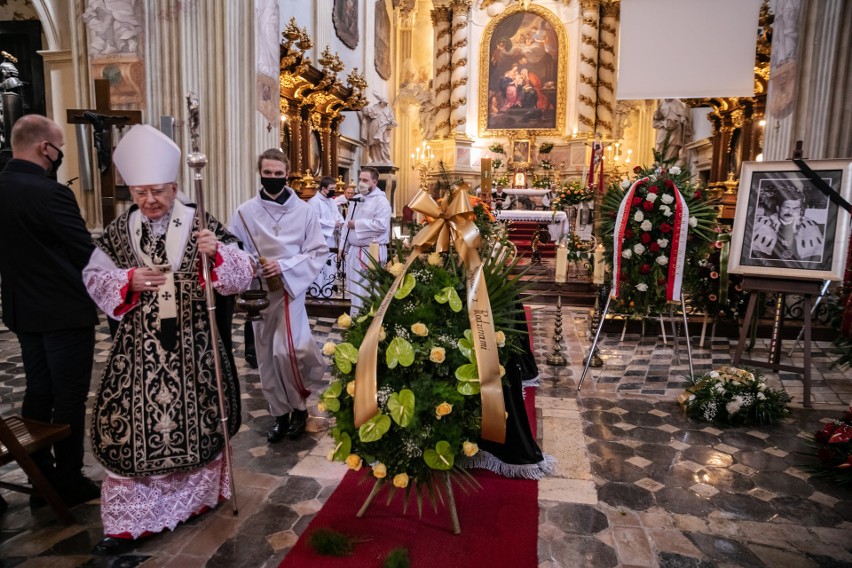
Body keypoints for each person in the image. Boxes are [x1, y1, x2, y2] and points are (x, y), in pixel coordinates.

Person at [82, 124, 254, 554]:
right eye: (140, 193)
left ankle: (196, 498)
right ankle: (132, 518)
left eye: (157, 191)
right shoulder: (120, 231)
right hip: (140, 351)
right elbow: (93, 276)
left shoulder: (200, 222)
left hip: (194, 347)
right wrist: (128, 279)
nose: (149, 200)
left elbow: (241, 270)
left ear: (175, 187)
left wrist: (217, 252)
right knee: (134, 428)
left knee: (197, 423)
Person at [0, 114, 100, 506]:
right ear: (46, 148)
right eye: (59, 147)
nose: (59, 155)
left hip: (23, 312)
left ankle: (39, 475)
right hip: (63, 313)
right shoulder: (51, 193)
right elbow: (85, 253)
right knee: (69, 397)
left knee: (38, 391)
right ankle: (68, 480)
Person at [230, 149, 328, 443]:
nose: (272, 178)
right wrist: (249, 263)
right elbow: (233, 249)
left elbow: (317, 252)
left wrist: (283, 266)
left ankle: (299, 406)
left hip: (288, 288)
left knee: (289, 351)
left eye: (278, 173)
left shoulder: (305, 212)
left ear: (287, 174)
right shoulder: (245, 212)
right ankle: (280, 414)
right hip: (260, 291)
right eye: (267, 173)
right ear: (260, 173)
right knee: (267, 356)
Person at [340, 167, 391, 316]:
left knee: (369, 289)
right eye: (360, 179)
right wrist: (342, 247)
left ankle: (368, 324)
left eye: (365, 180)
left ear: (374, 182)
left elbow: (381, 225)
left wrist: (358, 224)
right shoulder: (356, 198)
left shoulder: (381, 201)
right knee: (355, 290)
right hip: (354, 251)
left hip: (371, 252)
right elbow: (346, 223)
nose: (361, 183)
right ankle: (356, 320)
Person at [751, 186, 824, 262]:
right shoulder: (761, 224)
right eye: (786, 207)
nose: (790, 212)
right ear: (778, 208)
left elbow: (817, 255)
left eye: (795, 209)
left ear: (800, 210)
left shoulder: (809, 226)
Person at [308, 175, 344, 297]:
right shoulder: (314, 202)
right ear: (323, 189)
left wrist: (340, 222)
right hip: (320, 240)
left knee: (330, 267)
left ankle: (327, 293)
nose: (334, 191)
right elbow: (314, 220)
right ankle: (316, 294)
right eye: (331, 188)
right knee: (319, 267)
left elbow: (338, 215)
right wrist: (333, 224)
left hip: (331, 239)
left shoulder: (332, 201)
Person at [653, 98, 692, 164]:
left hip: (675, 130)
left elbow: (683, 115)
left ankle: (667, 168)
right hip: (664, 129)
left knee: (672, 147)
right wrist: (663, 122)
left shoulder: (677, 103)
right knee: (660, 146)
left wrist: (683, 119)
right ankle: (659, 166)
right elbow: (656, 120)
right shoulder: (661, 103)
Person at [362, 94, 397, 164]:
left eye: (386, 100)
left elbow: (391, 119)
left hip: (384, 128)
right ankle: (375, 160)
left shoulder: (388, 109)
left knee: (385, 144)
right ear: (381, 100)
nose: (386, 101)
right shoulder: (374, 107)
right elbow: (366, 112)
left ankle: (385, 159)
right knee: (375, 144)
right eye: (385, 100)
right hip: (374, 126)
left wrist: (393, 122)